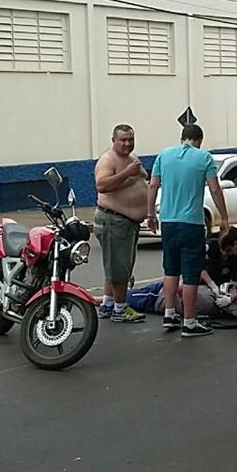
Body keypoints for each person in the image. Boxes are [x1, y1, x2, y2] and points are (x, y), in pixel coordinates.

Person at [146, 123, 230, 338]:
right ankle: (190, 322)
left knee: (171, 269)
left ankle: (169, 313)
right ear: (199, 140)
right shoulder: (204, 158)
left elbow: (153, 185)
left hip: (168, 222)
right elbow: (214, 188)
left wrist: (150, 214)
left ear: (182, 137)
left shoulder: (164, 155)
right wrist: (224, 218)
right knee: (191, 274)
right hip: (191, 223)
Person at [94, 123, 149, 323]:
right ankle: (120, 308)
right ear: (113, 140)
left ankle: (108, 304)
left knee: (118, 266)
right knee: (119, 268)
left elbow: (143, 178)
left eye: (130, 139)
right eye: (123, 140)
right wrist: (127, 174)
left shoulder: (132, 159)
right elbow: (101, 185)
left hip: (127, 222)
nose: (127, 143)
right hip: (113, 220)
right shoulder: (108, 160)